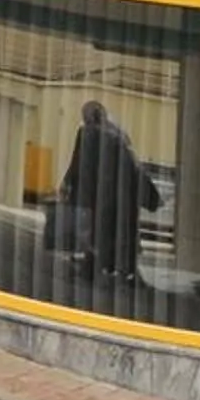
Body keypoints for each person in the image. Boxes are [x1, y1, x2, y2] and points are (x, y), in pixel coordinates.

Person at [56, 99, 158, 290]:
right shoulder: (119, 135)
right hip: (117, 197)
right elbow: (134, 166)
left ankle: (96, 269)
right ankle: (121, 272)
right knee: (114, 236)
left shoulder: (89, 133)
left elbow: (78, 163)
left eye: (86, 118)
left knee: (96, 234)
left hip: (100, 196)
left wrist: (68, 184)